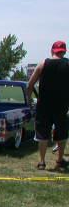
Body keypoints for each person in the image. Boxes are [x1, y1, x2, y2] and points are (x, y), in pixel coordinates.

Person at [27, 40, 69, 171]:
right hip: (62, 105)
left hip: (44, 105)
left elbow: (30, 84)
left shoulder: (43, 64)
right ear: (64, 52)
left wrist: (29, 99)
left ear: (52, 51)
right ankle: (60, 160)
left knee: (42, 135)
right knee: (62, 133)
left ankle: (42, 162)